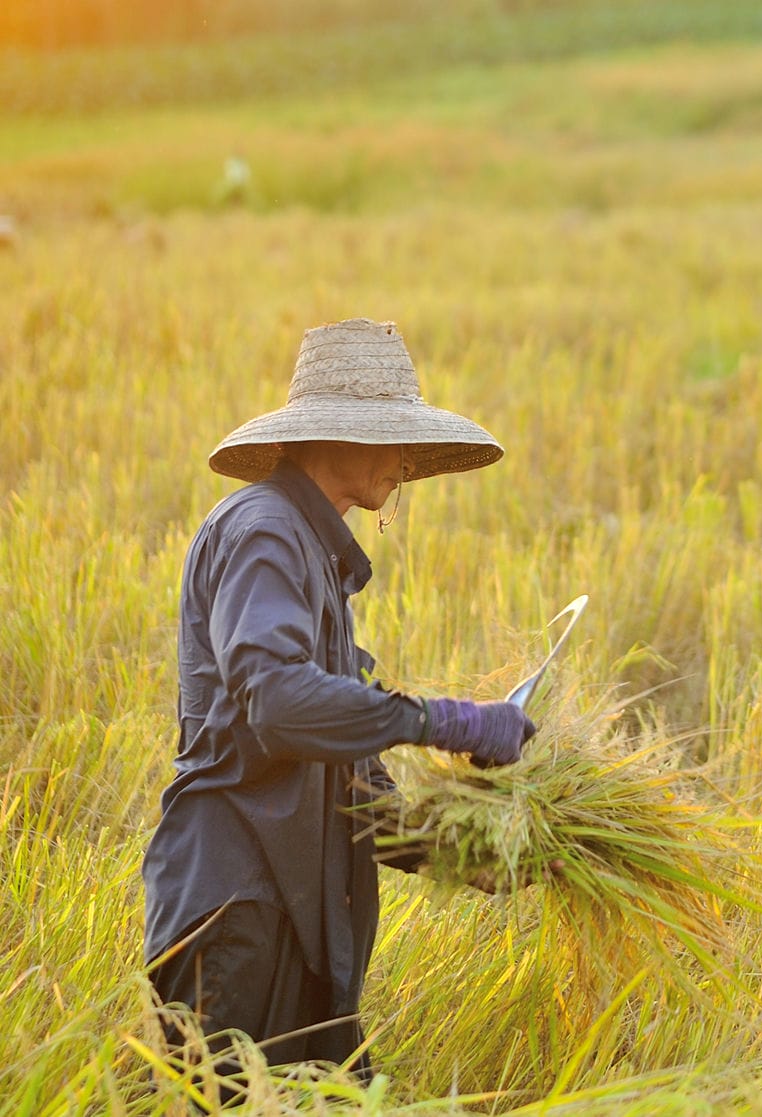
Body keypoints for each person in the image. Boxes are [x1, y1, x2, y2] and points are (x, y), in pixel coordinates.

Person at [142, 318, 535, 1082]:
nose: (408, 460)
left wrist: (479, 854)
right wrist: (441, 720)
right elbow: (280, 702)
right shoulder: (264, 532)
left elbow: (347, 786)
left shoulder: (313, 553)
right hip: (239, 909)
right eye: (395, 436)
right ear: (341, 438)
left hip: (298, 914)